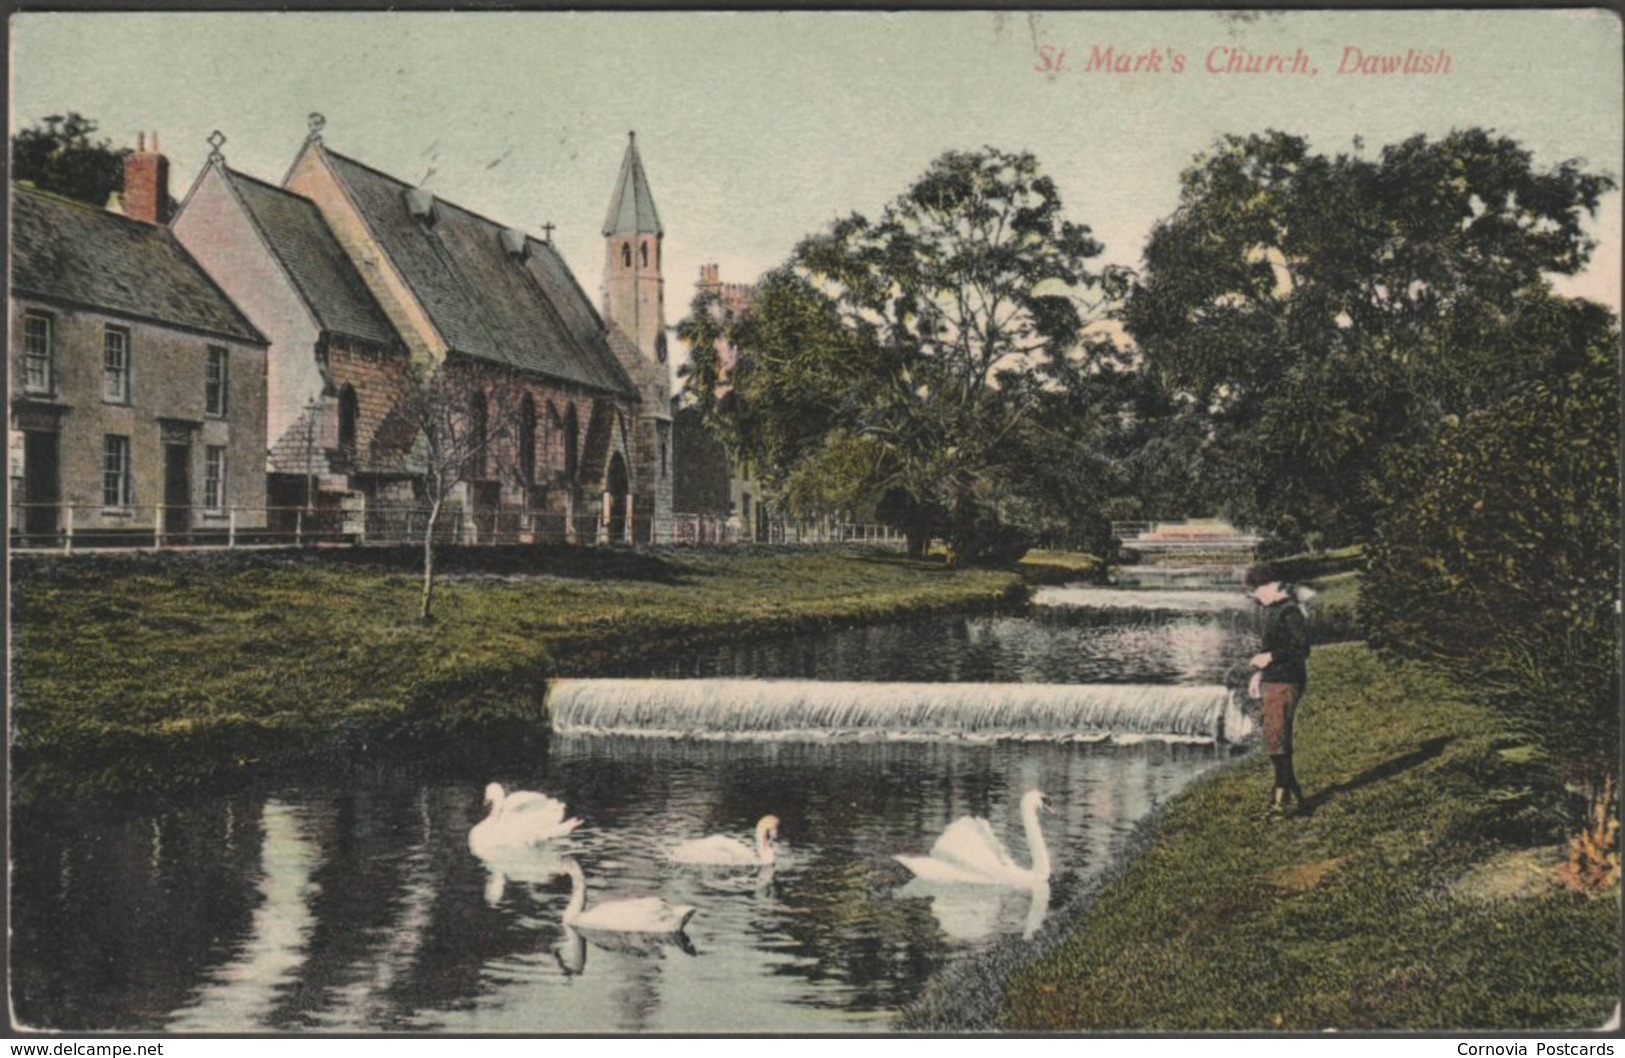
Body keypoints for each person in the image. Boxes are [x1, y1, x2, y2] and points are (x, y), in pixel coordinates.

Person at [1243, 562, 1310, 818]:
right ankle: (1295, 798)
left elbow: (1301, 649)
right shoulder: (1273, 611)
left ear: (1272, 585)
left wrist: (1269, 657)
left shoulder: (1290, 612)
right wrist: (1259, 674)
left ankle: (1280, 805)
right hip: (1273, 680)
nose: (1254, 596)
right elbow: (1274, 648)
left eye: (1256, 590)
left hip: (1286, 681)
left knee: (1277, 740)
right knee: (1274, 739)